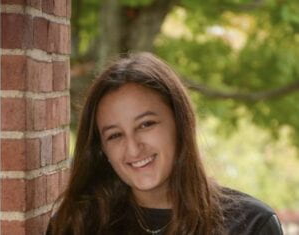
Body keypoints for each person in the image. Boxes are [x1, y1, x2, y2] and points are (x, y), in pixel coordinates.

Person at [47, 52, 283, 235]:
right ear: (102, 149)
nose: (133, 147)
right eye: (115, 135)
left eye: (146, 124)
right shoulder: (77, 225)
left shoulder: (250, 225)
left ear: (180, 123)